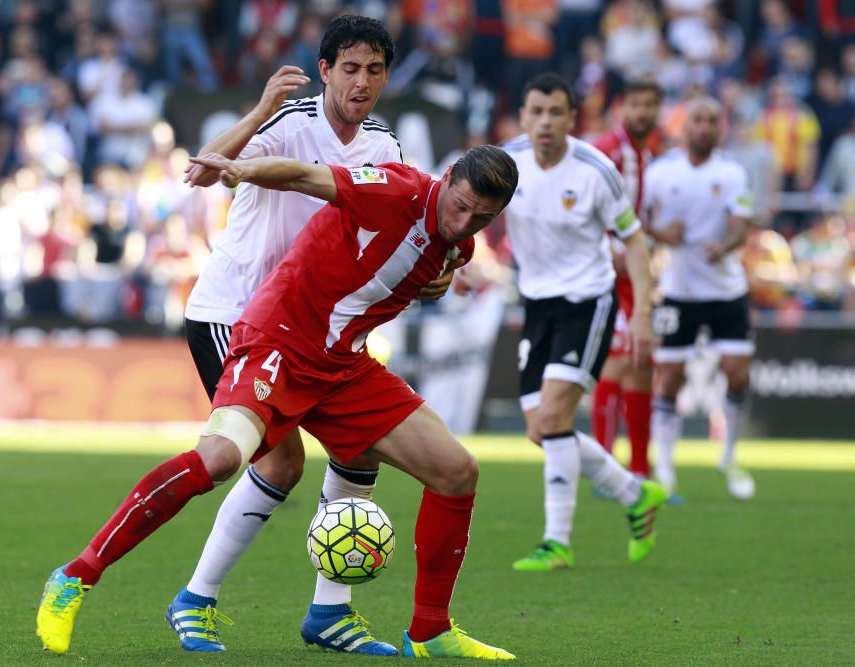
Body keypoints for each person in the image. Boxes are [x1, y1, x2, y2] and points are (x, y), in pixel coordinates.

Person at [35, 145, 520, 660]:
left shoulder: (458, 244)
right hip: (279, 342)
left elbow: (418, 267)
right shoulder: (397, 190)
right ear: (447, 179)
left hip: (343, 367)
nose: (464, 221)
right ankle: (75, 576)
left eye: (481, 216)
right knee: (220, 458)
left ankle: (429, 630)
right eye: (460, 205)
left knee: (457, 471)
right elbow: (303, 176)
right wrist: (242, 170)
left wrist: (437, 281)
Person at [173, 16, 462, 656]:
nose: (362, 82)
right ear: (326, 70)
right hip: (236, 314)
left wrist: (431, 276)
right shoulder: (289, 122)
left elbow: (396, 238)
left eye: (375, 70)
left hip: (317, 328)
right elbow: (205, 169)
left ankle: (330, 612)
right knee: (280, 461)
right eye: (350, 68)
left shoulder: (384, 146)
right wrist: (260, 108)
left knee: (360, 450)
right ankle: (196, 599)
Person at [502, 73, 666, 572]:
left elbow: (634, 241)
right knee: (540, 430)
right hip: (536, 306)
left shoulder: (595, 170)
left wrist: (641, 312)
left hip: (587, 301)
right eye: (537, 112)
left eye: (556, 112)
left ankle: (557, 542)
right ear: (523, 117)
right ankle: (636, 492)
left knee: (553, 420)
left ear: (573, 119)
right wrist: (457, 266)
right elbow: (462, 209)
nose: (546, 122)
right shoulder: (505, 162)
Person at [644, 96, 756, 501]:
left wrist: (723, 247)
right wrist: (661, 235)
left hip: (726, 289)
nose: (704, 127)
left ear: (720, 127)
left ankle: (728, 455)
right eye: (697, 120)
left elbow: (742, 225)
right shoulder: (661, 172)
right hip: (678, 290)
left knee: (737, 372)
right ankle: (666, 466)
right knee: (669, 378)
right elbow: (638, 220)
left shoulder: (731, 172)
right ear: (683, 125)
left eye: (712, 120)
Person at [591, 79, 664, 480]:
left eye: (649, 105)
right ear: (621, 107)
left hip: (632, 270)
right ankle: (605, 466)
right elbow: (588, 203)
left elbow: (633, 215)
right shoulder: (610, 150)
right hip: (610, 271)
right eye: (635, 104)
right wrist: (610, 249)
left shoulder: (643, 153)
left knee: (641, 362)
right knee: (618, 362)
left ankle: (639, 467)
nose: (642, 112)